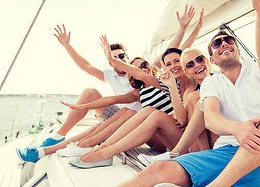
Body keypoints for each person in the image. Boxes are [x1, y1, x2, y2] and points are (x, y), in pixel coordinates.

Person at [118, 0, 260, 187]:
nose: (224, 44)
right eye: (217, 44)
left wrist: (259, 5)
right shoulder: (212, 82)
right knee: (156, 170)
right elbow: (210, 119)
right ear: (212, 58)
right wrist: (237, 128)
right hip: (225, 153)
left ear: (237, 48)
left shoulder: (259, 70)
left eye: (228, 40)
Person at [67, 43, 211, 168]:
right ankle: (100, 149)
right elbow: (123, 89)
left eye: (177, 61)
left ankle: (103, 151)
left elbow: (182, 120)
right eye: (168, 64)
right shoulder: (168, 85)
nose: (173, 66)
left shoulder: (196, 87)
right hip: (177, 136)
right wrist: (85, 106)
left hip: (193, 142)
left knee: (150, 114)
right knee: (143, 111)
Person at [39, 24, 143, 147]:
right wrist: (67, 45)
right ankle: (59, 136)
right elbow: (86, 66)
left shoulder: (140, 70)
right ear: (110, 63)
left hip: (138, 119)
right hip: (119, 116)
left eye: (121, 56)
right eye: (114, 58)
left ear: (128, 57)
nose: (119, 60)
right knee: (90, 92)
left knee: (100, 126)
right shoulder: (111, 75)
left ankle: (75, 146)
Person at [137, 48, 218, 166]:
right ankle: (204, 157)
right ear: (186, 71)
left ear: (207, 60)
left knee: (195, 98)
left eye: (199, 59)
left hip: (220, 133)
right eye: (190, 65)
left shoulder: (217, 79)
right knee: (153, 113)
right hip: (202, 141)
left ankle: (177, 154)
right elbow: (182, 121)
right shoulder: (190, 92)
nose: (197, 65)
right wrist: (172, 87)